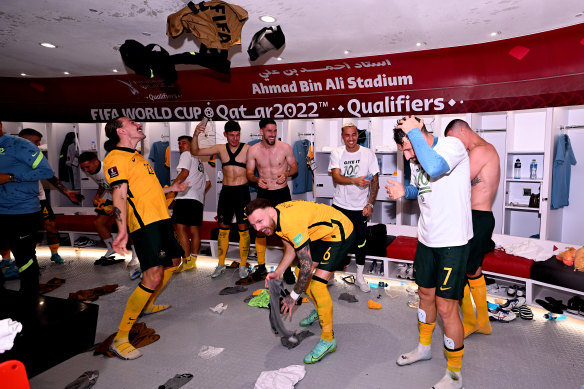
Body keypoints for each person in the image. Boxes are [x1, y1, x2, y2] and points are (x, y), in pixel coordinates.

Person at [386, 116, 472, 389]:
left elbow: (434, 167)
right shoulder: (415, 160)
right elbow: (422, 188)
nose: (409, 156)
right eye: (404, 152)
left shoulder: (451, 145)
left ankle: (455, 374)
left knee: (447, 308)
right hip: (427, 239)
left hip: (452, 242)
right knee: (424, 295)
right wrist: (405, 191)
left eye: (410, 149)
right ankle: (424, 348)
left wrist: (414, 131)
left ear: (420, 133)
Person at [103, 117, 187, 360]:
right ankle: (120, 338)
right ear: (120, 130)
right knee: (153, 276)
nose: (138, 124)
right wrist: (121, 230)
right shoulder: (115, 159)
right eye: (131, 122)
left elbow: (145, 190)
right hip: (145, 224)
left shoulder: (137, 157)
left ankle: (148, 304)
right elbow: (119, 195)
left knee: (174, 262)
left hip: (160, 218)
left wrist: (171, 190)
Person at [246, 199, 355, 364]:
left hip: (340, 232)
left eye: (260, 221)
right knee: (299, 272)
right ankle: (321, 311)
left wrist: (293, 296)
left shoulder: (290, 221)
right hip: (322, 234)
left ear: (270, 210)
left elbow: (307, 266)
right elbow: (290, 248)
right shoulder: (275, 220)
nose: (258, 228)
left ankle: (328, 340)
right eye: (254, 225)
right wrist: (278, 272)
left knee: (317, 285)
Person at [444, 119, 500, 337]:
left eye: (454, 140)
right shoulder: (478, 151)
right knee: (472, 270)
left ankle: (472, 321)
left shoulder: (481, 150)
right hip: (473, 216)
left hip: (479, 217)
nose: (454, 146)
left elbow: (457, 182)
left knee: (463, 270)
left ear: (462, 131)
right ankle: (482, 322)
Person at [191, 120, 251, 279]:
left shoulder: (247, 148)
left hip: (242, 192)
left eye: (237, 135)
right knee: (223, 229)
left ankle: (243, 265)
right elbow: (195, 150)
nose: (235, 139)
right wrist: (197, 133)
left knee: (243, 229)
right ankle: (221, 263)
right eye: (232, 135)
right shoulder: (220, 148)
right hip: (227, 192)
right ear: (225, 135)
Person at [0, 121, 54, 295]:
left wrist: (11, 177)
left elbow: (47, 172)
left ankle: (29, 301)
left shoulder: (20, 145)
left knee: (25, 259)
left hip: (22, 212)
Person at [18, 128, 82, 264]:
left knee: (51, 224)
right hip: (17, 201)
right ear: (24, 139)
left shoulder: (35, 155)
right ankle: (12, 259)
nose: (38, 145)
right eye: (36, 142)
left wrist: (66, 191)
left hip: (39, 198)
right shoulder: (9, 155)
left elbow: (49, 175)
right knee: (20, 231)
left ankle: (54, 253)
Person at [245, 118, 298, 284]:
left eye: (275, 131)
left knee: (286, 231)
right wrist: (255, 179)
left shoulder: (285, 148)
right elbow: (248, 173)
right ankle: (261, 266)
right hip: (264, 193)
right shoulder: (253, 150)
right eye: (269, 131)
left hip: (282, 193)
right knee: (260, 229)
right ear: (261, 131)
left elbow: (294, 167)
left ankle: (287, 269)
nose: (273, 134)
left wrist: (287, 174)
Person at [328, 122, 379, 292]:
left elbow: (375, 181)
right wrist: (354, 180)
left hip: (360, 207)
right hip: (340, 205)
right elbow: (336, 177)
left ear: (358, 135)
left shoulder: (368, 154)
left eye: (354, 134)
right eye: (347, 135)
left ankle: (359, 276)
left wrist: (370, 203)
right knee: (335, 240)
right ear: (343, 137)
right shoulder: (337, 153)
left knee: (360, 242)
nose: (351, 138)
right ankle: (330, 273)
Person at [79, 151, 140, 268]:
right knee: (98, 223)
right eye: (83, 168)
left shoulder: (110, 169)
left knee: (128, 226)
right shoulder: (92, 171)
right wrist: (98, 196)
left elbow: (122, 186)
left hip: (127, 197)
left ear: (96, 161)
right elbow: (102, 183)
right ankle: (111, 248)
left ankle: (135, 256)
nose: (85, 170)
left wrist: (115, 205)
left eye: (87, 166)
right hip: (113, 197)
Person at [171, 135, 211, 273]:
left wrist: (172, 189)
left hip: (185, 197)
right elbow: (207, 182)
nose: (181, 146)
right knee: (194, 230)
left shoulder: (187, 155)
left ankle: (186, 260)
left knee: (180, 228)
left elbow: (184, 172)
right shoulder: (199, 160)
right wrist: (198, 192)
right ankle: (192, 261)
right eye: (179, 143)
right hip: (197, 199)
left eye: (184, 143)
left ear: (191, 144)